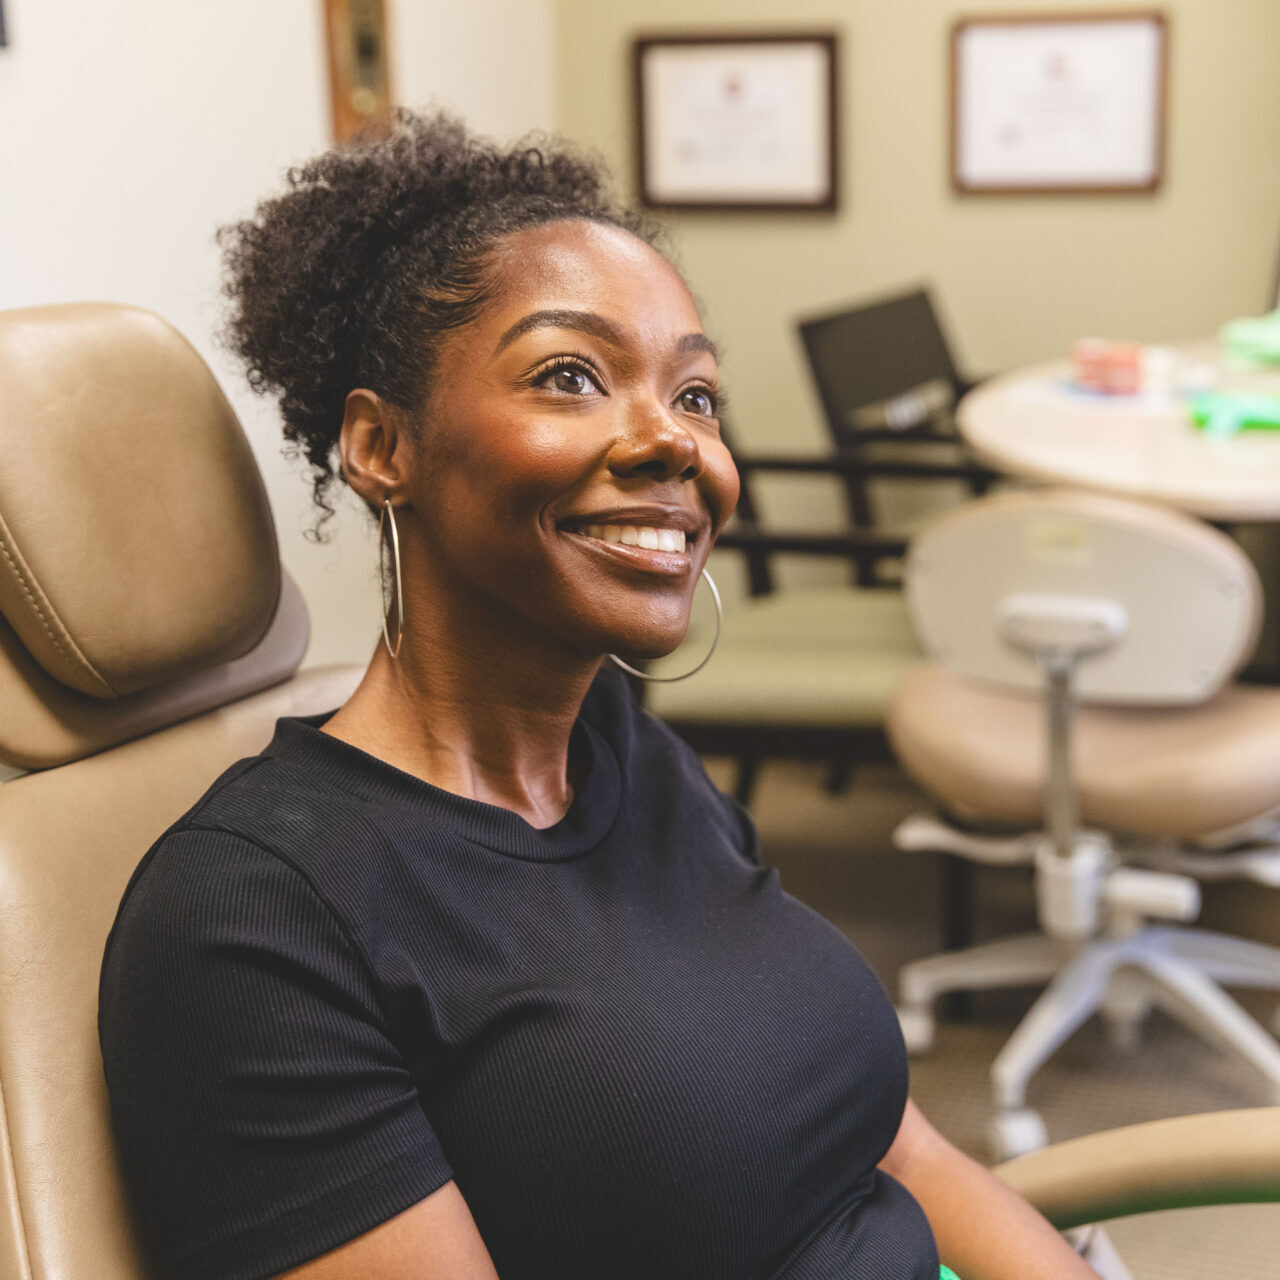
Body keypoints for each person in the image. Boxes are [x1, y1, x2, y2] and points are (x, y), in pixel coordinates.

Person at [98, 112, 1096, 1280]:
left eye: (696, 395)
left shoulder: (624, 749)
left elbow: (904, 1152)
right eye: (570, 375)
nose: (672, 442)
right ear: (380, 446)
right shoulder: (253, 918)